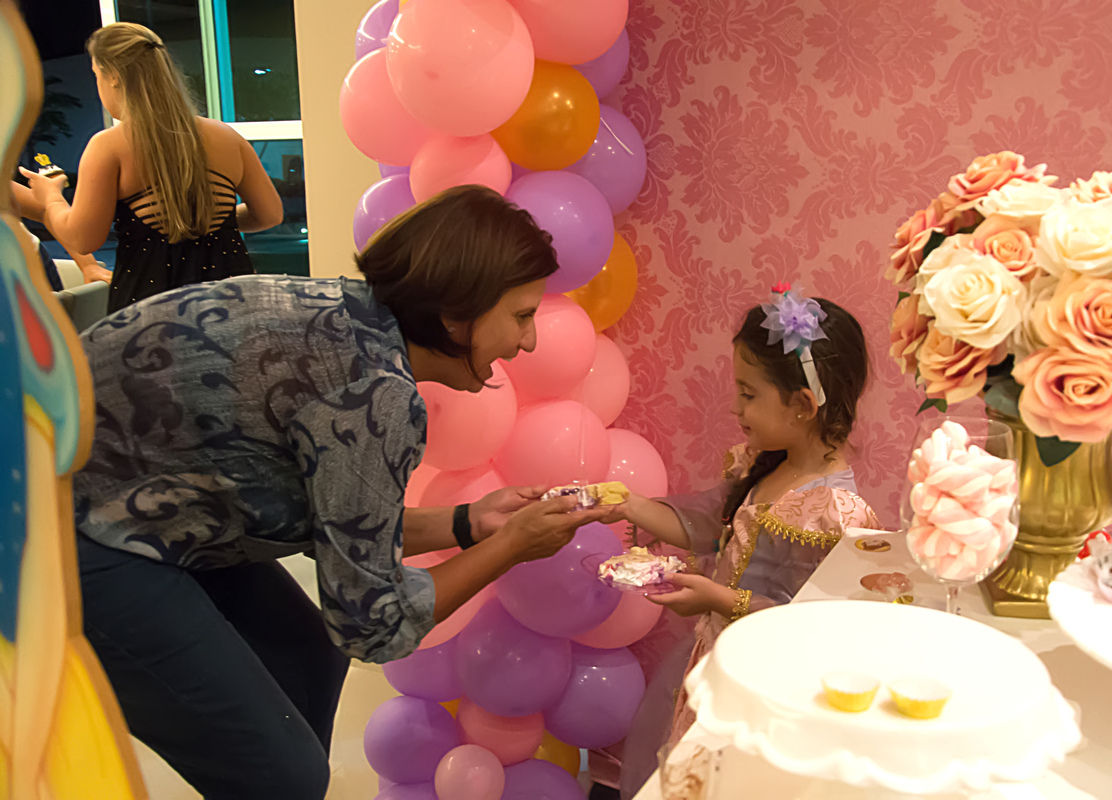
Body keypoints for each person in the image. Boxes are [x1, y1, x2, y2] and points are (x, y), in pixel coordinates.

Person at [72, 185, 607, 799]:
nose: (529, 342)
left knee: (309, 659)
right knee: (284, 778)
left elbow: (342, 525)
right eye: (521, 316)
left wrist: (469, 523)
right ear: (456, 314)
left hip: (130, 498)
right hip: (67, 527)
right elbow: (370, 623)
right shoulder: (373, 394)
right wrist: (509, 546)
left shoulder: (352, 319)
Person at [602, 285, 881, 799]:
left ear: (802, 405)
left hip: (762, 680)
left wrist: (717, 598)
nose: (735, 407)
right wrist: (629, 505)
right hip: (711, 657)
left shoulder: (832, 511)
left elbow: (809, 620)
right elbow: (712, 524)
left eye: (748, 394)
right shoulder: (764, 466)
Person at [19, 21, 281, 313]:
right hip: (232, 301)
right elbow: (269, 214)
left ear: (113, 76)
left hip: (150, 310)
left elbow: (83, 239)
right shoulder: (227, 137)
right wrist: (204, 219)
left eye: (96, 75)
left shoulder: (109, 146)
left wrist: (50, 197)